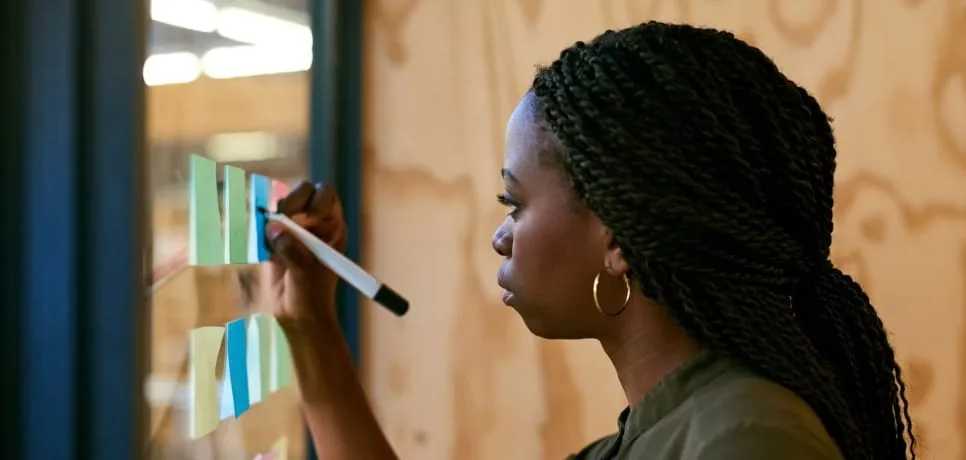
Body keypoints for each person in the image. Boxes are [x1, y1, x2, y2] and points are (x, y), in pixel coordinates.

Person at [264, 21, 916, 460]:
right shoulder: (673, 426)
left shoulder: (745, 437)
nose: (500, 237)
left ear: (616, 236)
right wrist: (310, 323)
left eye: (513, 203)